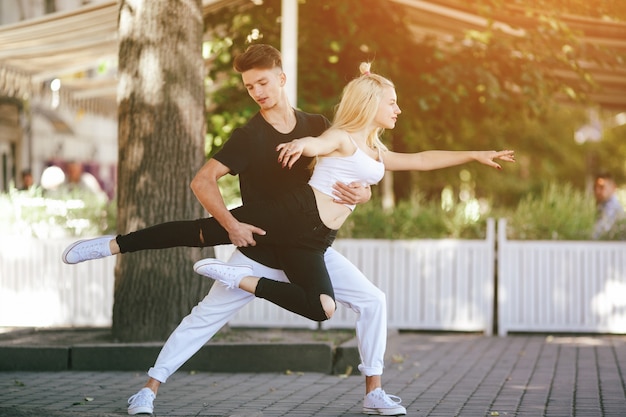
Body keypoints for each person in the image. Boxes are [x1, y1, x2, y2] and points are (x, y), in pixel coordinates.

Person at [62, 44, 513, 416]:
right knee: (199, 261)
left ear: (281, 77)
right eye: (249, 86)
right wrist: (233, 224)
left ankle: (373, 390)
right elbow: (206, 181)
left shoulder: (319, 124)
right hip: (260, 238)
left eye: (263, 81)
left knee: (363, 302)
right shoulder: (249, 136)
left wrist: (365, 193)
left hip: (308, 243)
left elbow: (351, 157)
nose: (257, 91)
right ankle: (119, 270)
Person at [592, 172, 625, 239]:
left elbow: (598, 233)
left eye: (602, 187)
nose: (597, 191)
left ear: (613, 187)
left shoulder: (612, 207)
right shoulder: (601, 206)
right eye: (595, 187)